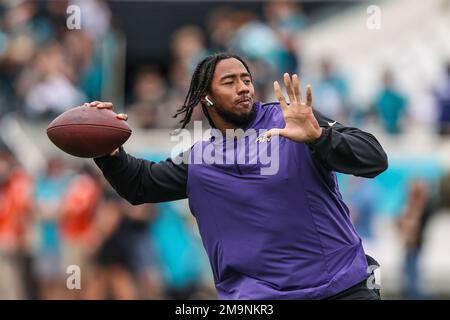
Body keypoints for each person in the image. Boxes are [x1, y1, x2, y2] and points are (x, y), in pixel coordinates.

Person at [88, 53, 388, 300]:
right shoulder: (202, 158)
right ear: (206, 97)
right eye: (229, 82)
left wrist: (320, 137)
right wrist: (104, 145)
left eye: (246, 79)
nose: (243, 87)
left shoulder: (291, 120)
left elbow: (374, 159)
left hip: (340, 289)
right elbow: (139, 184)